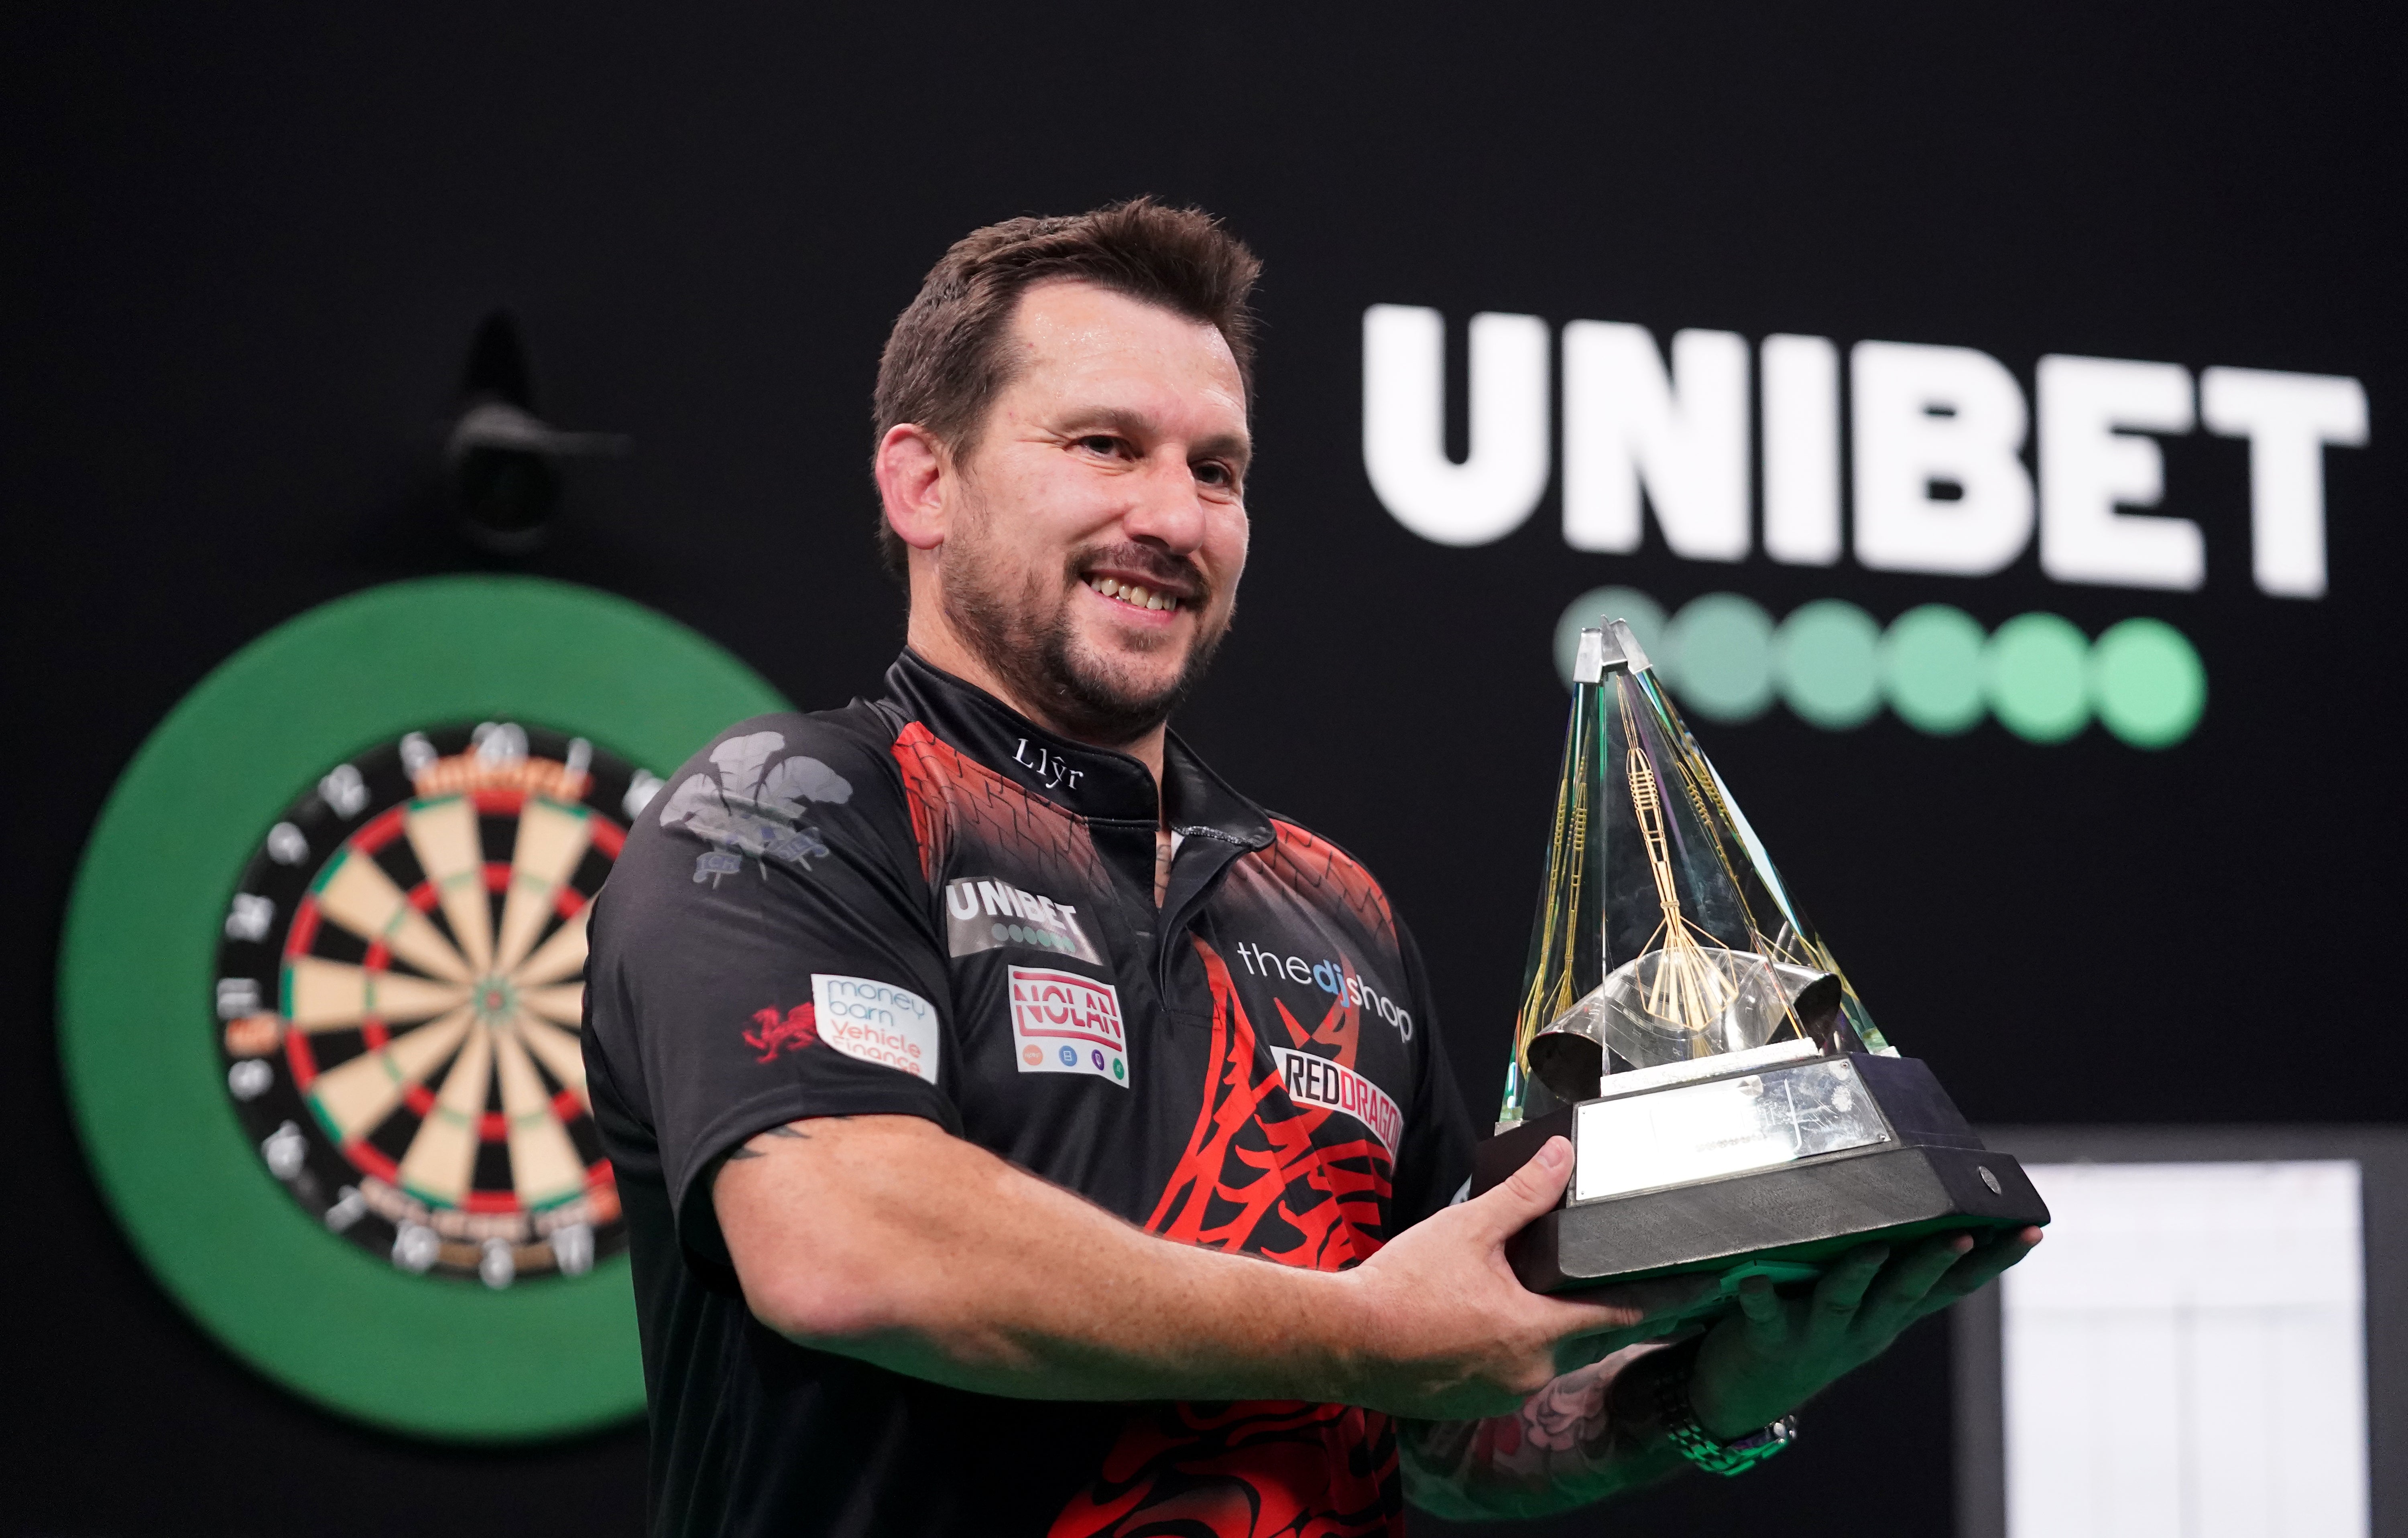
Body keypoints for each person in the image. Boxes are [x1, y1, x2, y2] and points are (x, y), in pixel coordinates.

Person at [581, 198, 2039, 1538]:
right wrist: (1362, 1329)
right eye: (1104, 445)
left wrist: (1705, 1394)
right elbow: (845, 1240)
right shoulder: (794, 813)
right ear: (923, 481)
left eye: (1217, 469)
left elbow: (1441, 1418)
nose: (1173, 515)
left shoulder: (1330, 906)